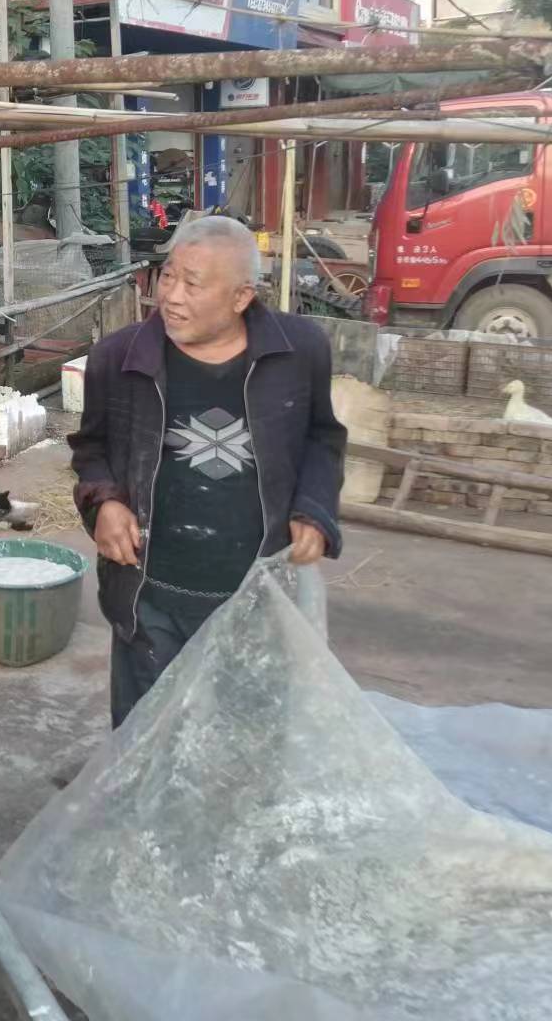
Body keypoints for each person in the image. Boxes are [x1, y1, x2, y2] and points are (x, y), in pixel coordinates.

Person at [69, 215, 346, 728]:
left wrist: (314, 508)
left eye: (192, 284)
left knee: (247, 738)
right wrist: (104, 502)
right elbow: (91, 449)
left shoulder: (299, 353)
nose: (171, 296)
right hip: (150, 596)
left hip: (258, 596)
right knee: (147, 738)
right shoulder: (119, 359)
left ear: (241, 297)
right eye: (168, 276)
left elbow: (322, 439)